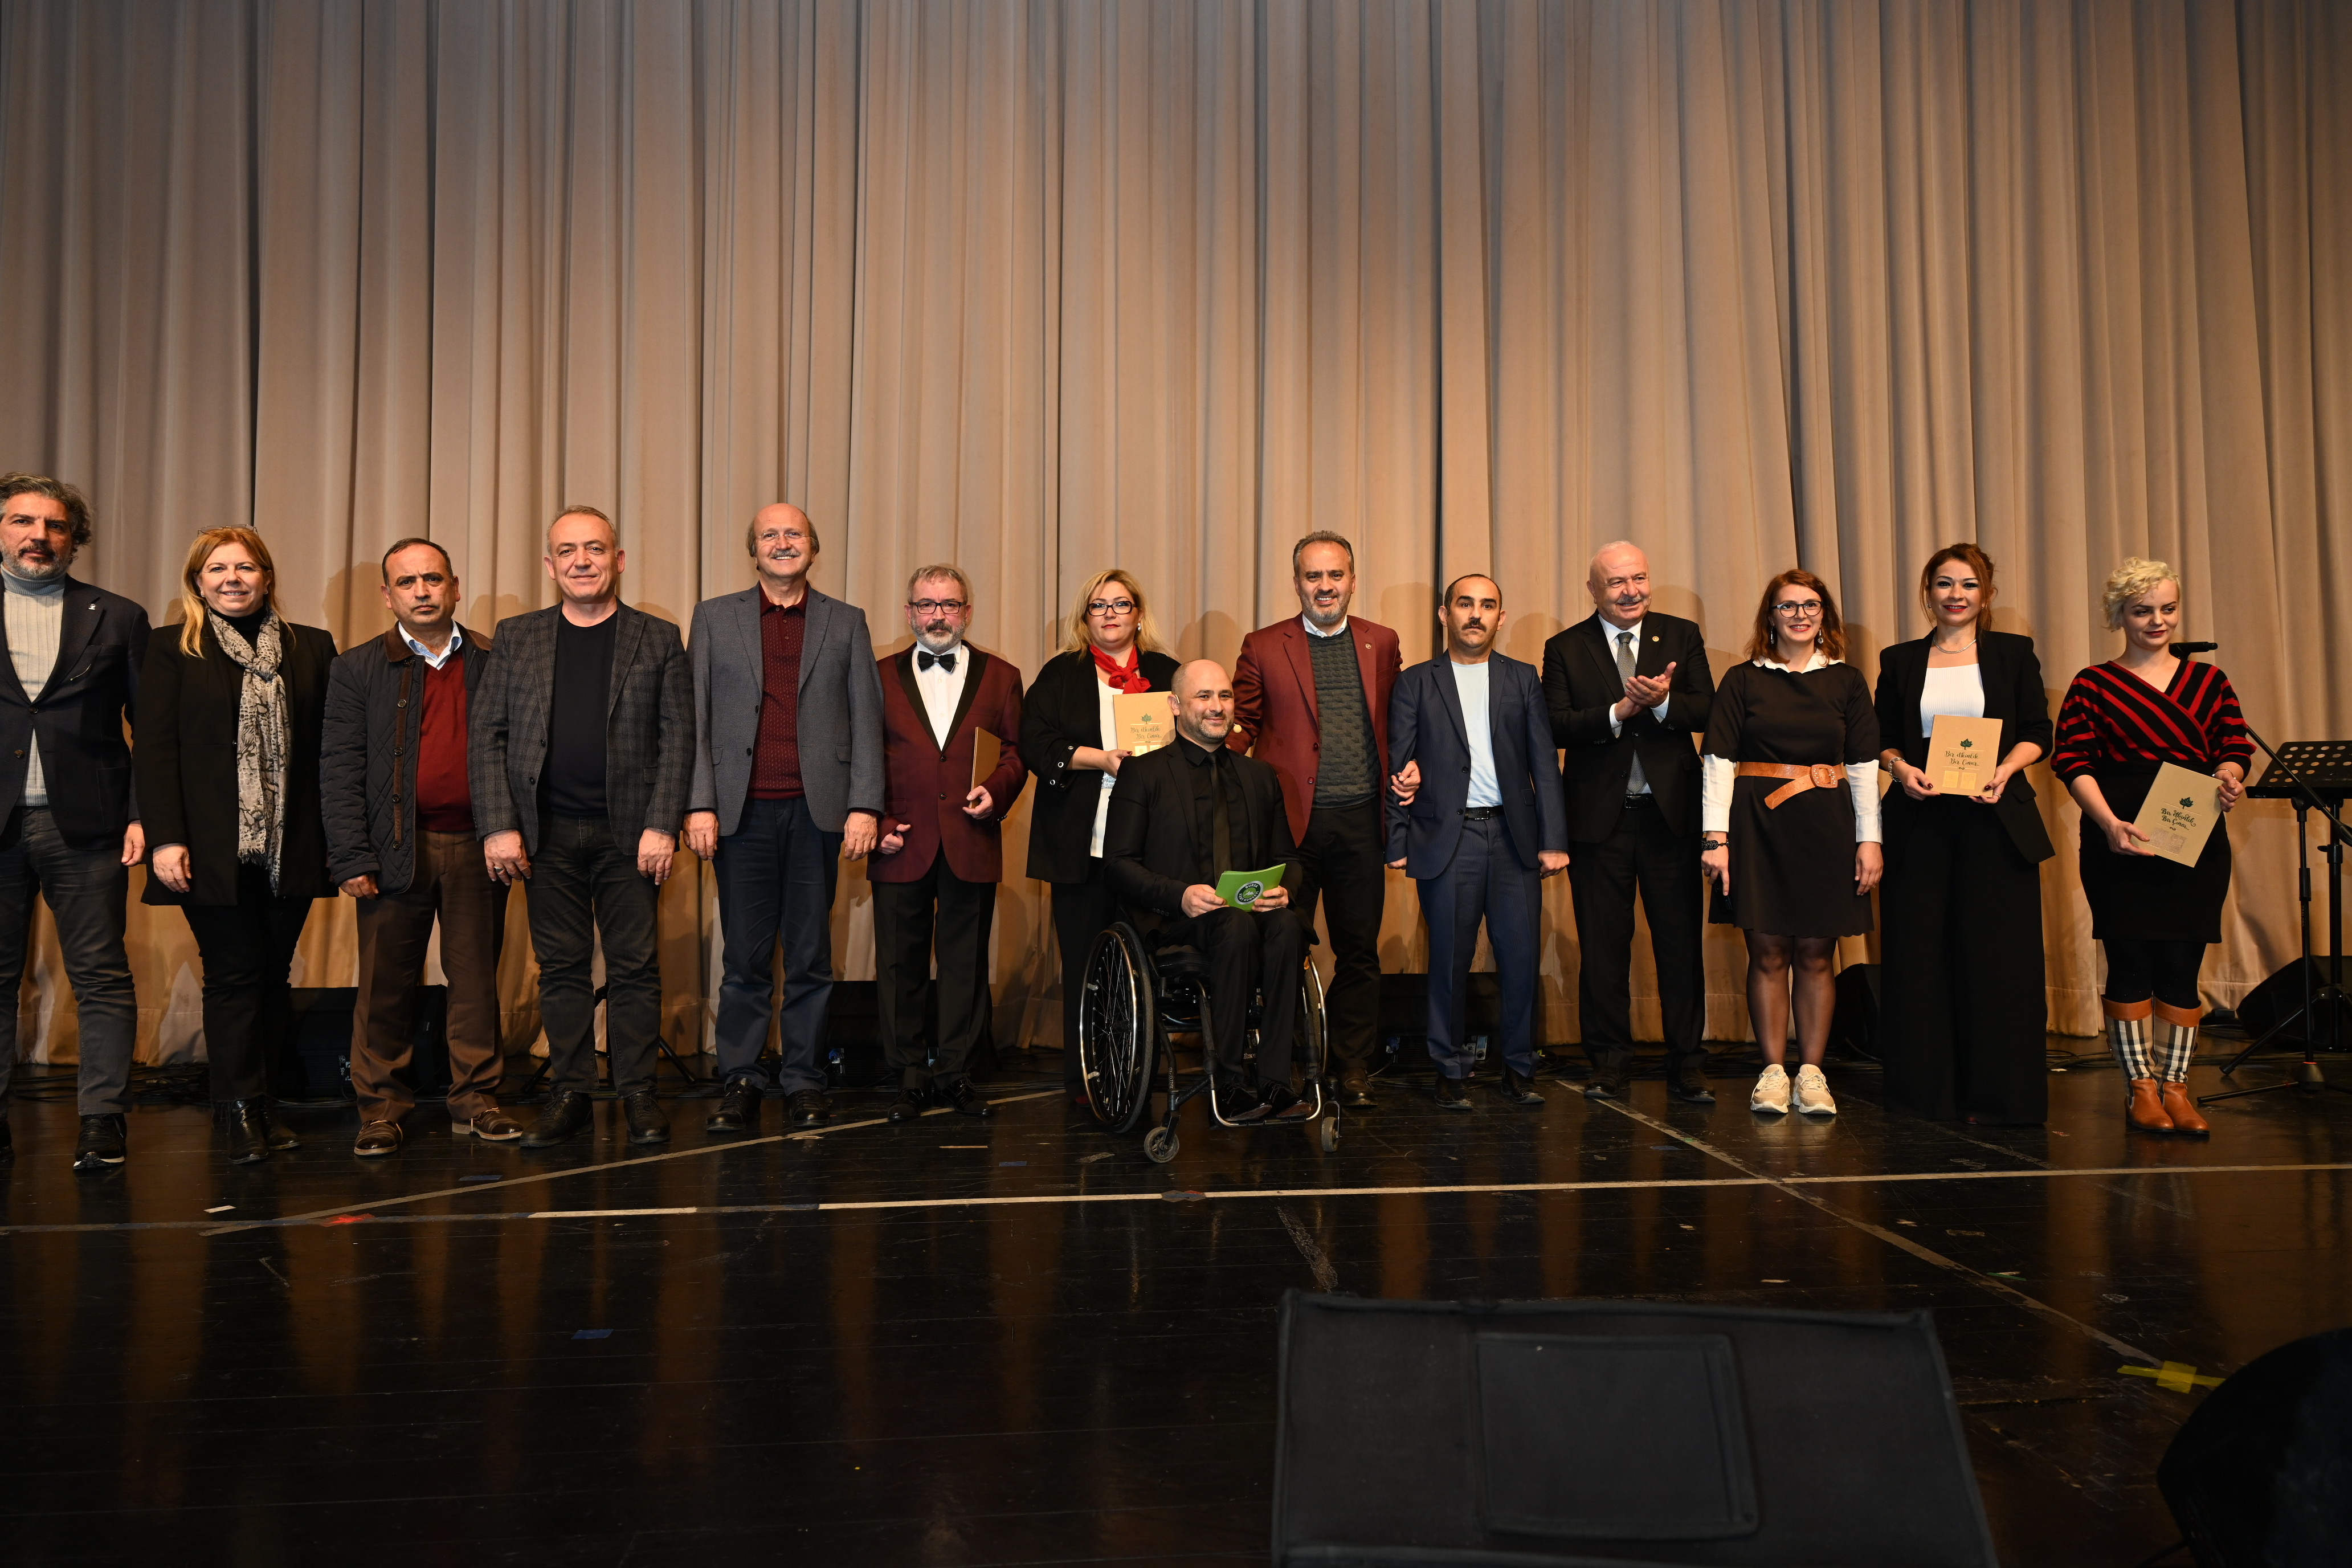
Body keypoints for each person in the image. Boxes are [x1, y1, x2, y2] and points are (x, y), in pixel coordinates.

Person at [473, 507, 694, 1149]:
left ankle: (638, 1093)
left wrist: (662, 824)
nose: (581, 561)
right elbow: (487, 734)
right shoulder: (517, 637)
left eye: (594, 548)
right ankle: (570, 1093)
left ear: (617, 560)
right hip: (543, 835)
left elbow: (678, 738)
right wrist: (498, 826)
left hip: (630, 835)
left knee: (635, 968)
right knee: (561, 969)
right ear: (550, 565)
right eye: (567, 550)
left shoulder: (658, 637)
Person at [136, 528, 338, 1164]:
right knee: (232, 975)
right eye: (218, 568)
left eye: (245, 567)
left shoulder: (313, 647)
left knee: (273, 975)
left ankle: (264, 1103)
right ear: (198, 581)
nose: (232, 578)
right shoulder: (170, 648)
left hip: (291, 844)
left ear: (266, 577)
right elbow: (155, 750)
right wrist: (166, 838)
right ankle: (238, 1109)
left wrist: (338, 839)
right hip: (206, 846)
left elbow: (330, 751)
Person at [684, 503, 884, 1134]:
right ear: (754, 550)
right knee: (744, 960)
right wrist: (699, 802)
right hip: (739, 814)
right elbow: (694, 718)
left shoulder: (846, 622)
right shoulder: (714, 617)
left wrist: (864, 804)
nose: (782, 542)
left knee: (810, 958)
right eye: (768, 534)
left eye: (793, 533)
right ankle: (741, 1078)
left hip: (816, 814)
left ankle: (803, 1080)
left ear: (813, 547)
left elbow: (867, 719)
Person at [321, 538, 517, 1157]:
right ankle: (381, 1109)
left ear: (455, 587)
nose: (422, 591)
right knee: (385, 986)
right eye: (407, 582)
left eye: (433, 579)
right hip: (392, 851)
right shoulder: (356, 668)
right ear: (388, 596)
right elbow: (339, 768)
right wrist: (351, 855)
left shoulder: (495, 658)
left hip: (479, 848)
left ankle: (477, 1100)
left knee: (476, 982)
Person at [2051, 558, 2251, 1137]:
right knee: (2132, 960)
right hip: (2120, 835)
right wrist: (2109, 824)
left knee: (2183, 965)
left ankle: (2177, 1087)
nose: (2157, 621)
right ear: (2119, 616)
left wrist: (2230, 775)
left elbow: (2234, 745)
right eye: (2142, 611)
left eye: (2168, 608)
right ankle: (2140, 1087)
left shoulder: (2210, 682)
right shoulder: (2092, 683)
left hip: (2194, 830)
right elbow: (2073, 761)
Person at [1874, 544, 2054, 1125]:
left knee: (1998, 959)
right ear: (1927, 593)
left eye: (1969, 584)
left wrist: (2006, 769)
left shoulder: (2012, 653)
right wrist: (1900, 769)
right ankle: (1925, 1095)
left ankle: (2001, 1097)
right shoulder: (1899, 659)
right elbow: (1879, 737)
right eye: (1945, 584)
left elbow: (2037, 731)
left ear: (1987, 594)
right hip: (1920, 820)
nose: (1957, 595)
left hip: (1994, 819)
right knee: (1919, 957)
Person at [0, 474, 150, 1171]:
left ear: (74, 538)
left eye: (55, 525)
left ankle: (102, 1120)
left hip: (88, 826)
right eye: (23, 521)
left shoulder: (118, 615)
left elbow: (151, 729)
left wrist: (142, 814)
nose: (39, 536)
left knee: (101, 975)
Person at [1227, 532, 1401, 1109]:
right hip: (1289, 830)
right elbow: (1242, 726)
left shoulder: (1383, 641)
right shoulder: (1262, 645)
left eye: (1335, 575)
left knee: (1359, 951)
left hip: (1361, 823)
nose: (1325, 586)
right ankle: (1283, 1066)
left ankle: (1352, 1065)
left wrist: (1414, 767)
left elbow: (1400, 722)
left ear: (1352, 580)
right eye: (1313, 576)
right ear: (1297, 582)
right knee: (1280, 947)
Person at [1699, 569, 1882, 1118]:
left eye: (1810, 605)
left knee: (1817, 954)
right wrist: (1716, 838)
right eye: (1788, 606)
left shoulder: (1847, 681)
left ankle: (1812, 1075)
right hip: (1757, 827)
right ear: (1771, 616)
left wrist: (1869, 840)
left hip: (1828, 827)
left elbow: (1863, 767)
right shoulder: (1743, 680)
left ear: (1824, 616)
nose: (1800, 615)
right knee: (1769, 951)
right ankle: (1774, 1073)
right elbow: (1719, 761)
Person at [1386, 574, 1570, 1109]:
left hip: (1514, 839)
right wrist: (1397, 839)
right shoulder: (1415, 683)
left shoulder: (1522, 678)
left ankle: (1519, 1068)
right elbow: (1399, 765)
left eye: (1487, 605)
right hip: (1448, 839)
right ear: (1444, 615)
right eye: (1464, 604)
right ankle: (1448, 1069)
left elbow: (1544, 764)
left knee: (1520, 959)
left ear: (1500, 618)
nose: (1476, 614)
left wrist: (1553, 839)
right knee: (1449, 961)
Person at [1542, 540, 1716, 1104]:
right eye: (1617, 582)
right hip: (1599, 823)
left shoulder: (1681, 635)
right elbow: (1555, 724)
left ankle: (1687, 1065)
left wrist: (1662, 703)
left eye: (1638, 578)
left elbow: (1709, 710)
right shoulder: (1565, 647)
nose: (1630, 591)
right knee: (1603, 950)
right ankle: (1609, 1065)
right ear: (1594, 590)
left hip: (1672, 819)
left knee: (1679, 947)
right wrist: (1618, 712)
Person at [1104, 659, 1310, 1121]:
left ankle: (1276, 1082)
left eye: (1225, 696)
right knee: (1235, 925)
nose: (1217, 707)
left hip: (1247, 916)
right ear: (1176, 705)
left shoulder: (1261, 777)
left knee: (1287, 925)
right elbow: (1117, 865)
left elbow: (1290, 859)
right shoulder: (1144, 773)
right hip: (1177, 921)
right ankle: (1231, 1084)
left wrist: (1286, 891)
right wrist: (1179, 895)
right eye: (1204, 696)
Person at [870, 564, 1028, 1124]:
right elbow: (859, 754)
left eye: (949, 604)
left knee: (965, 965)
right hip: (898, 841)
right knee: (900, 968)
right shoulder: (876, 675)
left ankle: (957, 1073)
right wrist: (877, 821)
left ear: (967, 612)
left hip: (971, 837)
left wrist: (996, 792)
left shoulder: (1003, 676)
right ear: (909, 612)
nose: (938, 615)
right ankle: (909, 1077)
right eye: (927, 605)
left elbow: (1016, 753)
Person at [1019, 570, 1179, 1106]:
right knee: (1086, 967)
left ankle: (1140, 1076)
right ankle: (1086, 1080)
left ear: (1139, 613)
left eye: (1121, 604)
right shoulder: (1061, 674)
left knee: (1146, 970)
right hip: (1079, 848)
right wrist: (1101, 760)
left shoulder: (1166, 673)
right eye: (1098, 606)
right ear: (1084, 617)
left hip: (1152, 852)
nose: (1110, 614)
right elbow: (1035, 743)